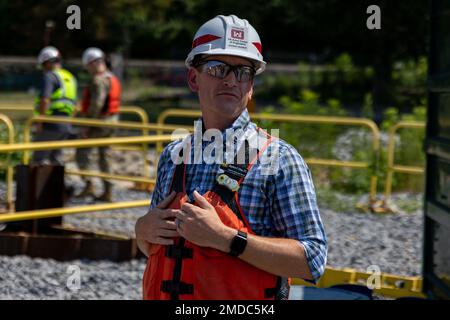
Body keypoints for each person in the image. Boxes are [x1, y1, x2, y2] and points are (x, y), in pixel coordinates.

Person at [135, 15, 327, 300]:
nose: (230, 80)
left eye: (243, 71)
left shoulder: (279, 159)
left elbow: (313, 261)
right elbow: (155, 245)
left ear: (251, 87)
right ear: (193, 78)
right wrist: (142, 230)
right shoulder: (174, 156)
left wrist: (225, 239)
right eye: (217, 68)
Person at [74, 47, 121, 202]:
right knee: (105, 155)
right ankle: (108, 190)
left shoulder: (98, 79)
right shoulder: (111, 77)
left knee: (82, 153)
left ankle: (88, 185)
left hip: (99, 122)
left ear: (93, 63)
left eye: (88, 66)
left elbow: (97, 103)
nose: (88, 69)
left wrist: (87, 123)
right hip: (112, 121)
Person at [32, 46, 77, 165]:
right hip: (66, 124)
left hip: (51, 123)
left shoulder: (50, 76)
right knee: (55, 158)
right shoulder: (69, 77)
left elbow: (45, 100)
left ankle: (37, 183)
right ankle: (55, 183)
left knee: (38, 158)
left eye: (43, 65)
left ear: (47, 63)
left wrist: (40, 121)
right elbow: (74, 104)